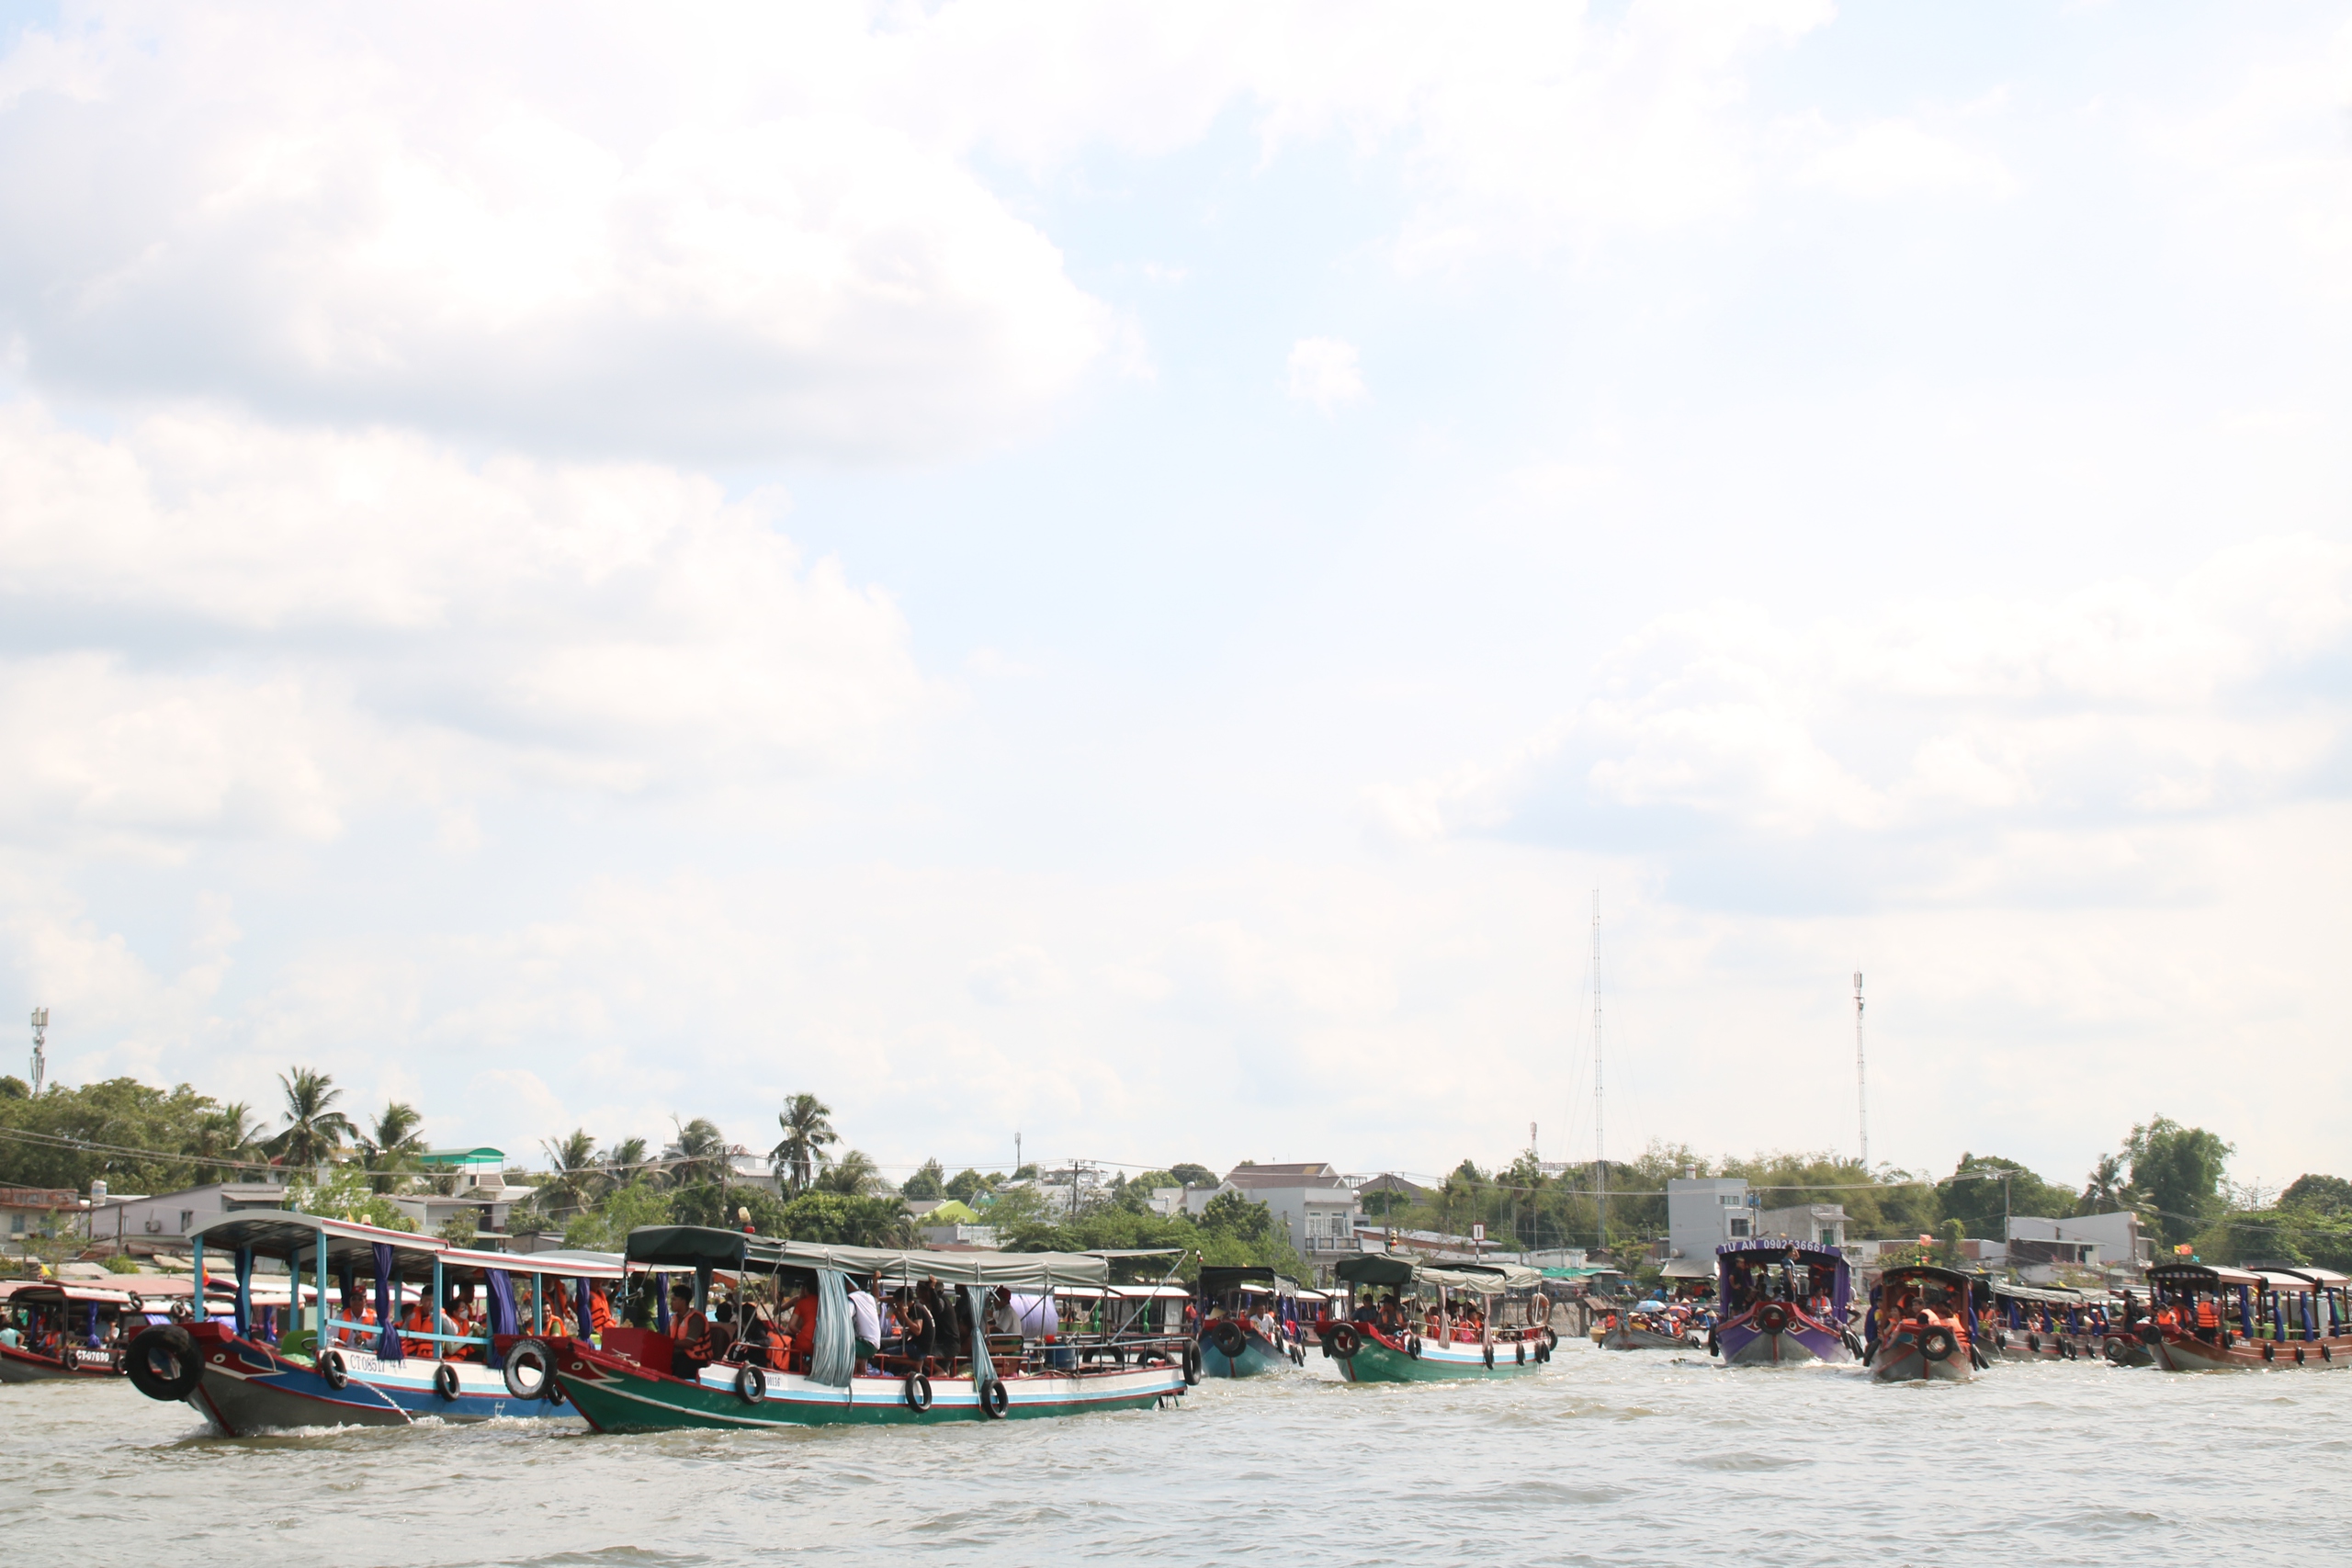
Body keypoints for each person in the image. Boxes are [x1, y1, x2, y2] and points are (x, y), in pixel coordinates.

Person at [668, 1282, 710, 1379]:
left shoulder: (696, 1319)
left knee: (681, 1366)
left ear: (683, 1301)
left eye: (674, 1300)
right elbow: (665, 1338)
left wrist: (668, 1342)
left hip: (695, 1360)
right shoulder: (673, 1318)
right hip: (678, 1356)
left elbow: (689, 1343)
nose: (671, 1302)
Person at [847, 1275, 882, 1375]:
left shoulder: (852, 1299)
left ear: (849, 1284)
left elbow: (846, 1318)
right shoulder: (869, 1298)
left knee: (836, 1345)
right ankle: (860, 1367)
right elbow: (877, 1298)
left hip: (866, 1345)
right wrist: (875, 1281)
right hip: (873, 1344)